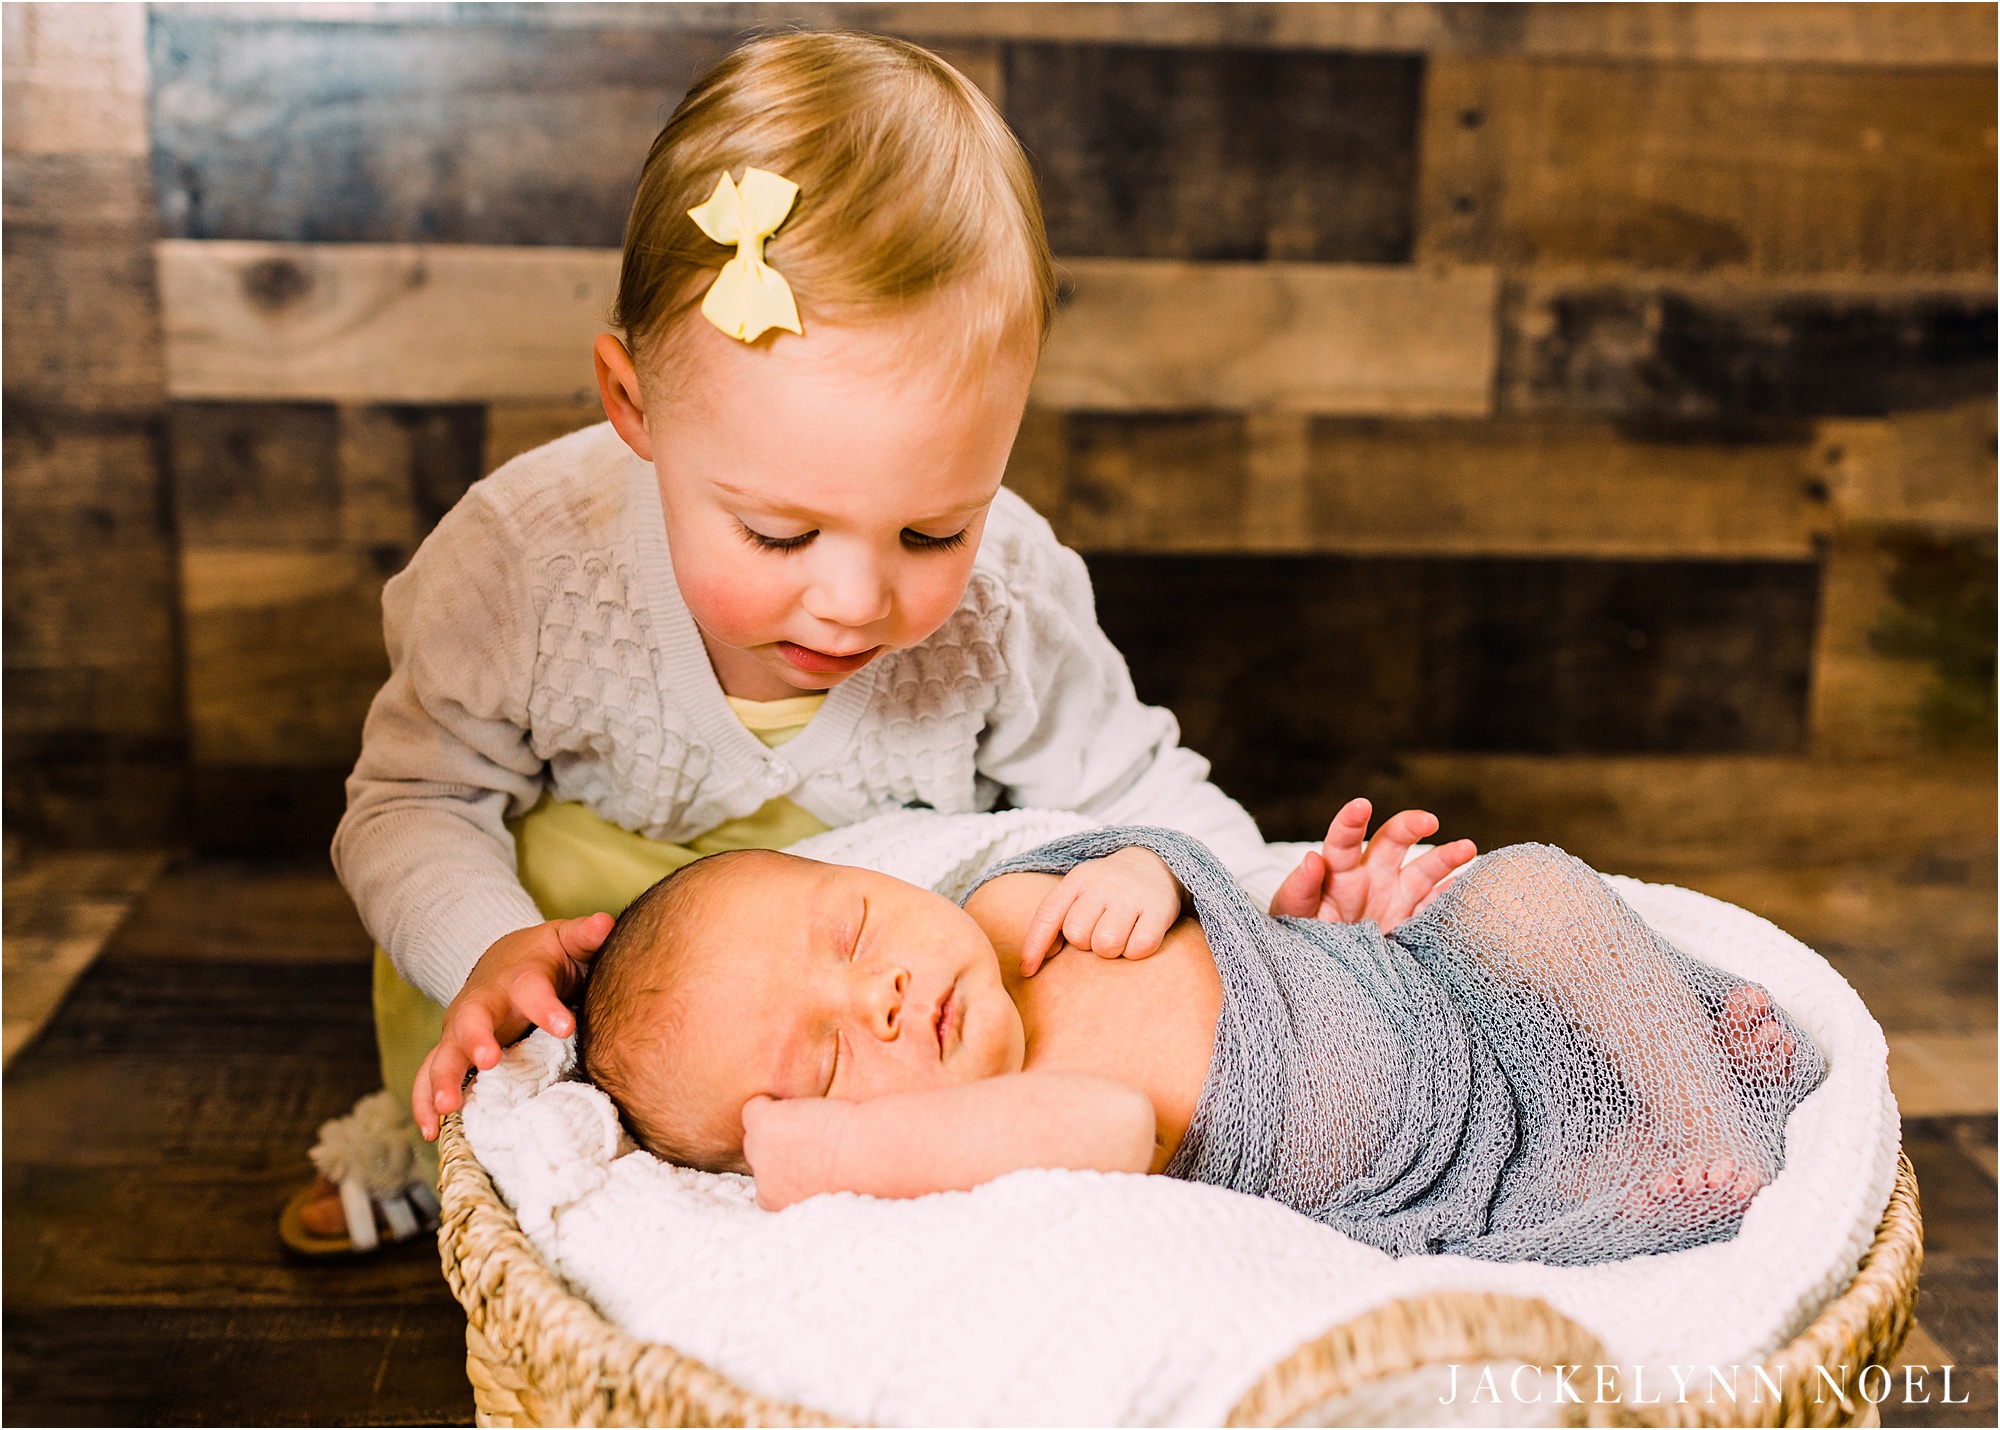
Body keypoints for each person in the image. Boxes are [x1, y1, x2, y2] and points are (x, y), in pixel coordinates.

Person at [284, 30, 1314, 1255]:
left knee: (1069, 922)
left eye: (932, 527)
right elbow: (411, 799)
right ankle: (455, 1135)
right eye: (778, 533)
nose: (854, 601)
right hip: (596, 944)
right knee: (499, 903)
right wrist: (486, 948)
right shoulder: (523, 563)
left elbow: (1131, 786)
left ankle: (883, 1194)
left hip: (886, 975)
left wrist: (1272, 906)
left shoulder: (1009, 587)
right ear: (634, 407)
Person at [575, 800, 1825, 1266]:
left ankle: (1683, 1057)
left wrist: (1145, 866)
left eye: (848, 933)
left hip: (1436, 994)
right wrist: (839, 1156)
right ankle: (1658, 1146)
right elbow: (1117, 1124)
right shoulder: (981, 1142)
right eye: (829, 1060)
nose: (882, 997)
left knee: (1521, 887)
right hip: (1445, 1163)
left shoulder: (1003, 912)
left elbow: (1173, 862)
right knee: (1563, 1164)